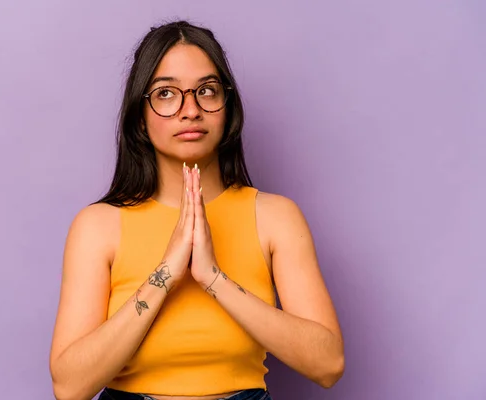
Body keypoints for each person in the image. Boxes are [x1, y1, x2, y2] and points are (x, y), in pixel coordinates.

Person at [49, 20, 344, 400]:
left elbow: (328, 365)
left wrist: (213, 278)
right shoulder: (98, 226)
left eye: (206, 90)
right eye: (166, 94)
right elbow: (70, 387)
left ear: (227, 106)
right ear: (140, 116)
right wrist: (166, 274)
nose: (190, 110)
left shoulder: (274, 217)